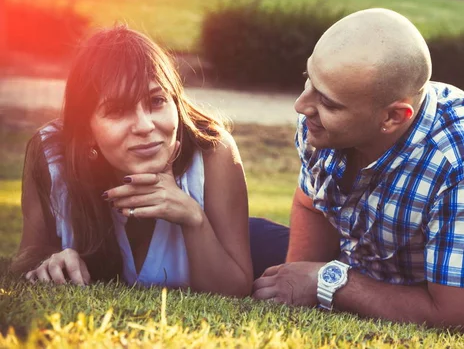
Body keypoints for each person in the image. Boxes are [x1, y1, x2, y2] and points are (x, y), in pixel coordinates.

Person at [252, 8, 464, 335]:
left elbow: (463, 322)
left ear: (393, 118)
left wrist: (325, 281)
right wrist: (293, 279)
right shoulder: (327, 118)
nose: (301, 106)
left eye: (329, 103)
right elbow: (312, 201)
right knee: (220, 237)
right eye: (308, 82)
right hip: (347, 261)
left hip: (413, 295)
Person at [10, 26, 288, 295]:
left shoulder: (214, 150)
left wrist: (193, 219)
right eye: (118, 110)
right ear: (86, 131)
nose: (145, 125)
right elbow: (26, 259)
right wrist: (49, 263)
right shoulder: (51, 156)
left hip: (256, 239)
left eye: (156, 101)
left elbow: (233, 290)